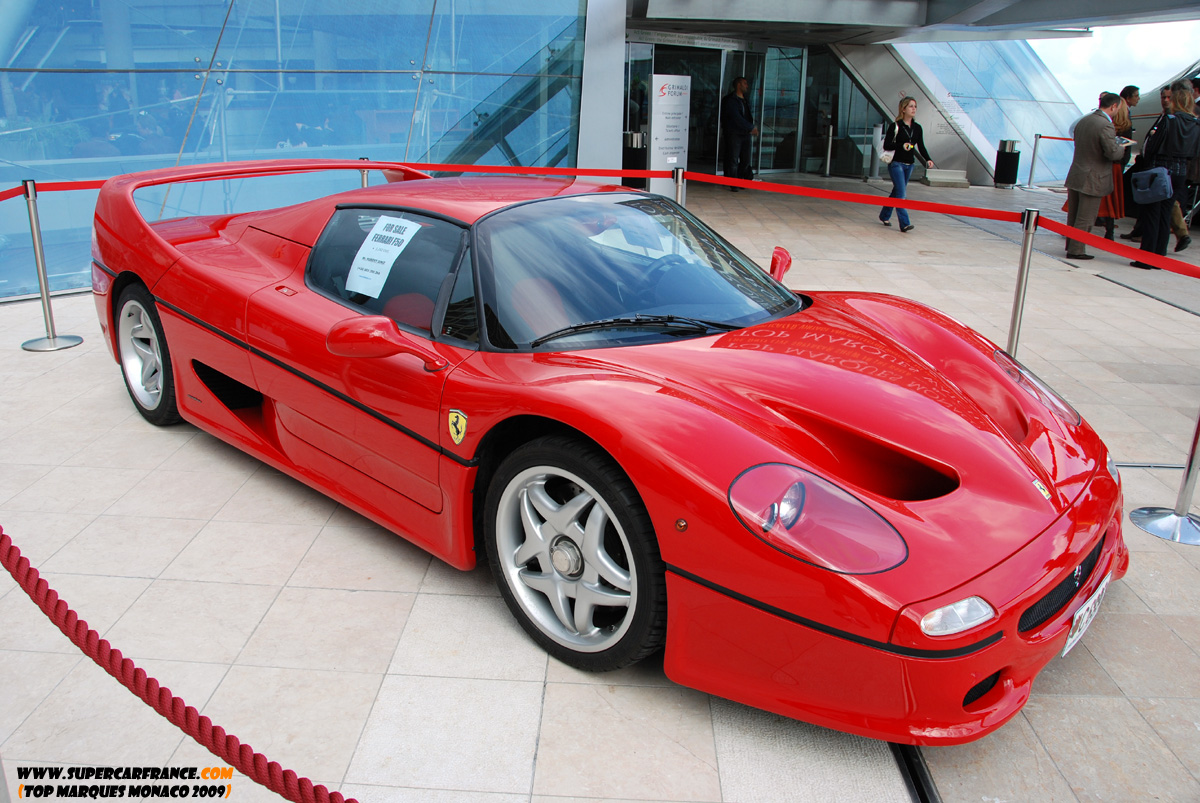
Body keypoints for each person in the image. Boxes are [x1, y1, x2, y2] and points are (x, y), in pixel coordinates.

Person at [1132, 80, 1200, 268]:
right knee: (1165, 214)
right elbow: (1194, 152)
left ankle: (1146, 258)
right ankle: (1159, 257)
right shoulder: (1195, 123)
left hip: (1160, 170)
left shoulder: (1170, 120)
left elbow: (1152, 147)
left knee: (1152, 214)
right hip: (1180, 171)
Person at [1064, 92, 1125, 260]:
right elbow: (1112, 153)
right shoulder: (1105, 125)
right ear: (1113, 106)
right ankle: (1076, 250)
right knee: (1086, 216)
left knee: (1074, 215)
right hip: (1093, 177)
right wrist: (1122, 148)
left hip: (1077, 173)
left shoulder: (1084, 120)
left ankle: (1071, 245)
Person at [878, 96, 934, 233]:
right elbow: (887, 145)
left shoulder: (917, 128)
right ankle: (904, 224)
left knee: (897, 191)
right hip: (896, 164)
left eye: (915, 106)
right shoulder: (895, 126)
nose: (914, 109)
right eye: (911, 106)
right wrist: (901, 145)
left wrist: (928, 159)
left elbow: (921, 146)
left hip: (910, 164)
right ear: (903, 109)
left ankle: (884, 215)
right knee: (901, 194)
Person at [721, 76, 757, 191]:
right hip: (734, 134)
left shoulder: (745, 100)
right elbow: (736, 117)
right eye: (745, 83)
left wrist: (750, 128)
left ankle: (740, 179)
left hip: (745, 133)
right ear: (738, 85)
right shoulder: (730, 100)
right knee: (733, 159)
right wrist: (750, 127)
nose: (747, 86)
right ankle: (733, 183)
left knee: (745, 159)